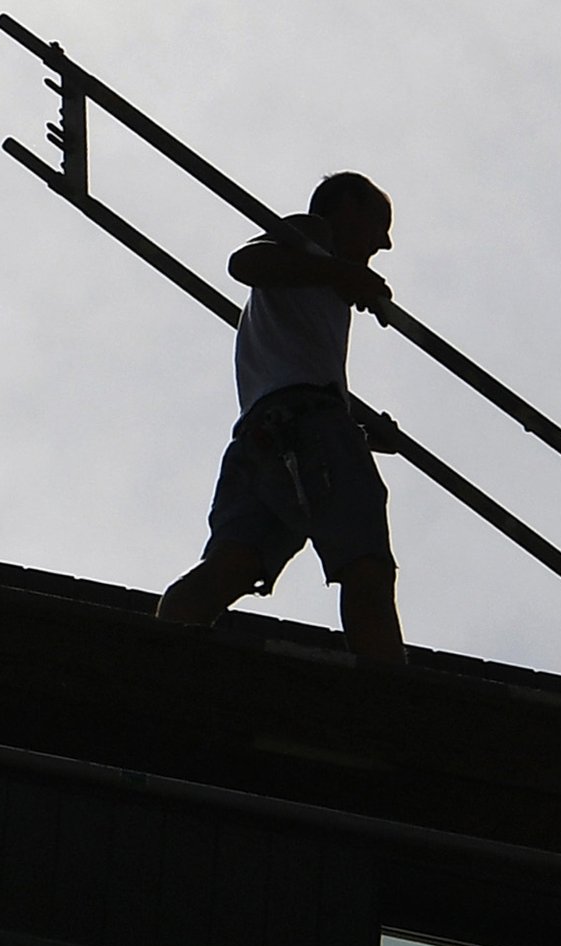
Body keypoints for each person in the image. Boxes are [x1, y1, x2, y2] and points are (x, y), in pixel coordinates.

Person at [155, 172, 407, 664]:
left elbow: (297, 369)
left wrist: (362, 424)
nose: (385, 241)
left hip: (262, 433)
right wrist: (341, 273)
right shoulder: (312, 237)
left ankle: (158, 656)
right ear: (348, 208)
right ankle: (393, 707)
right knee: (366, 566)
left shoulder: (309, 279)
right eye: (379, 224)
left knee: (233, 564)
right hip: (308, 424)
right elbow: (244, 261)